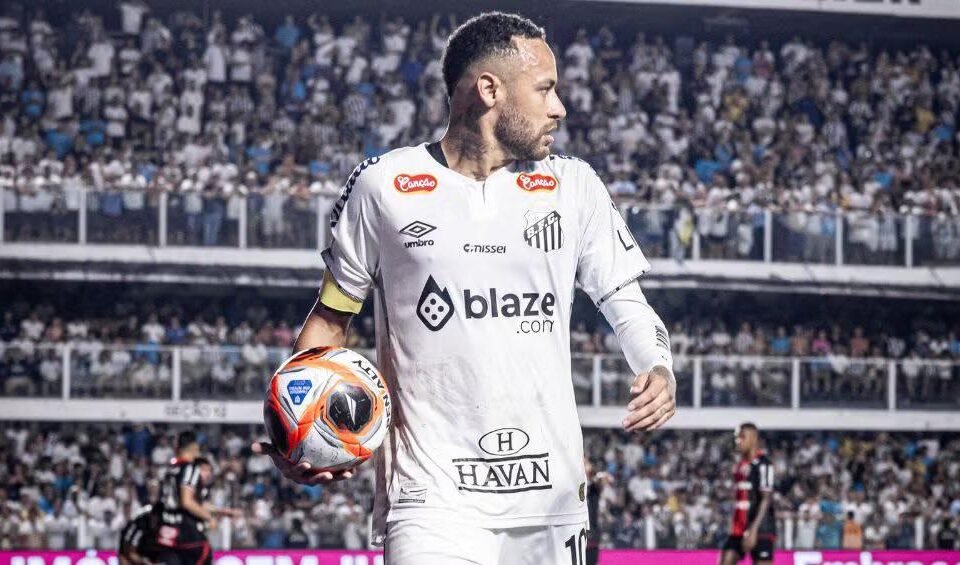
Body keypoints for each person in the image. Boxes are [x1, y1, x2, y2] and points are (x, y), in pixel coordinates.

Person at [253, 12, 676, 565]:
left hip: (550, 502)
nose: (559, 108)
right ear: (489, 89)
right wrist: (300, 428)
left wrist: (657, 366)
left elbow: (626, 301)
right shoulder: (384, 185)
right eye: (545, 89)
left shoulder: (574, 186)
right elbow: (331, 318)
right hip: (431, 503)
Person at [154, 432, 239, 565]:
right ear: (194, 447)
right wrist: (209, 518)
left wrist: (223, 512)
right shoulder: (190, 468)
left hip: (166, 531)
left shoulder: (170, 469)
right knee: (204, 553)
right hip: (185, 532)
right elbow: (187, 502)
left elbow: (184, 501)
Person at [720, 423, 776, 565]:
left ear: (753, 438)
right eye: (737, 437)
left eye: (742, 437)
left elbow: (766, 499)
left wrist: (754, 529)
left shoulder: (764, 464)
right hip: (738, 528)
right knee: (726, 559)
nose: (738, 441)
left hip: (761, 528)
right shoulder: (740, 465)